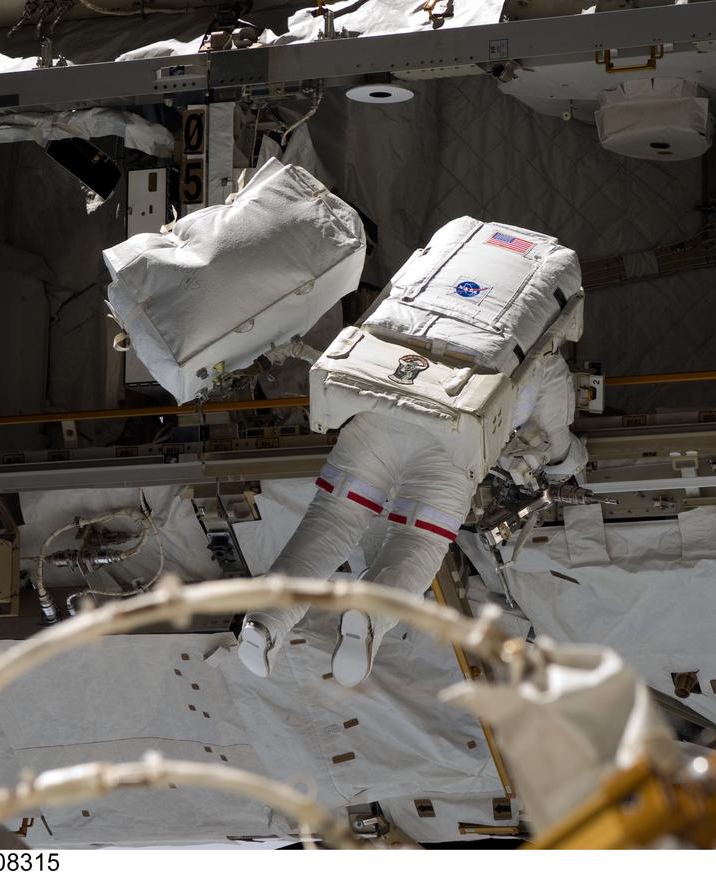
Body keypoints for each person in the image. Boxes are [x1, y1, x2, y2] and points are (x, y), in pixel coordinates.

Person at [238, 217, 585, 686]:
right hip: (451, 434)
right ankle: (370, 616)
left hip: (377, 395)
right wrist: (567, 460)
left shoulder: (446, 254)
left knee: (334, 518)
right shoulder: (544, 346)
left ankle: (268, 621)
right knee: (418, 541)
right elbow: (555, 421)